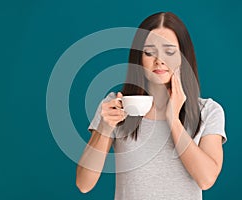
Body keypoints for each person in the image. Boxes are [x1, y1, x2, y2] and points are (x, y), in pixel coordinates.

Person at [76, 12, 227, 199]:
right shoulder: (115, 106)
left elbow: (206, 179)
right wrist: (105, 128)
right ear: (139, 58)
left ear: (183, 57)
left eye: (170, 51)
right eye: (149, 52)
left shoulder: (208, 111)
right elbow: (84, 184)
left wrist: (173, 119)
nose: (159, 60)